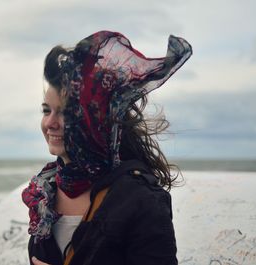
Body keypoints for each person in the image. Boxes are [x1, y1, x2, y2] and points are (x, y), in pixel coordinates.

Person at [22, 30, 192, 265]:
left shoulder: (140, 200)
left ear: (96, 119)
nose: (50, 123)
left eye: (66, 112)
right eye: (46, 110)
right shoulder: (44, 192)